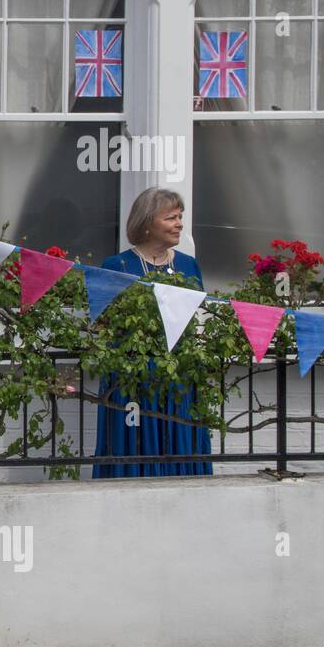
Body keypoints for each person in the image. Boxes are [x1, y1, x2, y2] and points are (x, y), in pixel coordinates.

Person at [93, 187, 213, 478]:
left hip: (180, 372)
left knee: (180, 441)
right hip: (132, 373)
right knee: (133, 443)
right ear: (147, 223)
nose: (180, 223)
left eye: (180, 216)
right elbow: (103, 322)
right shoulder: (118, 265)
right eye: (171, 217)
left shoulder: (188, 265)